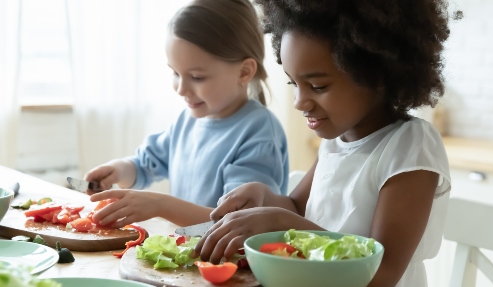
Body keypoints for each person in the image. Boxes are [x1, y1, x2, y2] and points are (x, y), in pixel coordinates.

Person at [194, 0, 455, 286]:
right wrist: (264, 197)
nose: (299, 102)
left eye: (318, 86)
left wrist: (281, 223)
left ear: (377, 75)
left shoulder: (409, 145)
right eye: (294, 84)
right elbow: (295, 207)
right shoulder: (336, 140)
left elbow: (382, 273)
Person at [85, 0, 289, 229]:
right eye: (175, 73)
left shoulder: (258, 132)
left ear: (244, 72)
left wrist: (160, 205)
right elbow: (145, 165)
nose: (181, 89)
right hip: (186, 257)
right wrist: (119, 169)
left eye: (197, 77)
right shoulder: (187, 120)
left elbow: (238, 224)